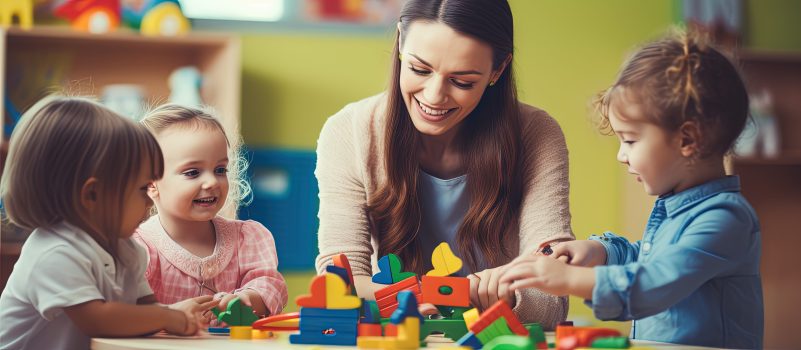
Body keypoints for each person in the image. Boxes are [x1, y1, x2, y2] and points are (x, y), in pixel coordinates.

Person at [314, 0, 574, 327]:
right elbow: (340, 284)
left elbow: (553, 293)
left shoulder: (536, 135)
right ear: (400, 44)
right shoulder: (348, 132)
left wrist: (509, 297)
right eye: (419, 69)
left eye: (462, 81)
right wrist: (449, 294)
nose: (435, 96)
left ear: (498, 69)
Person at [499, 30, 763, 348]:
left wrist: (570, 280)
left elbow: (653, 283)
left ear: (687, 140)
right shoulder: (678, 208)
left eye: (631, 140)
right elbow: (648, 259)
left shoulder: (725, 219)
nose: (621, 156)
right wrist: (600, 251)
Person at [0, 96, 216, 350]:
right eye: (142, 188)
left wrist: (176, 313)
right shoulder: (54, 252)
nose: (149, 201)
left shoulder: (126, 248)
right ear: (92, 195)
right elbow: (98, 320)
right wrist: (169, 316)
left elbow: (142, 312)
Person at [133, 104, 287, 319]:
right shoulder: (137, 249)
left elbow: (271, 285)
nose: (212, 181)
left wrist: (249, 299)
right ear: (150, 183)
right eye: (193, 172)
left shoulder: (247, 238)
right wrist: (169, 315)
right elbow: (124, 312)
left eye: (220, 169)